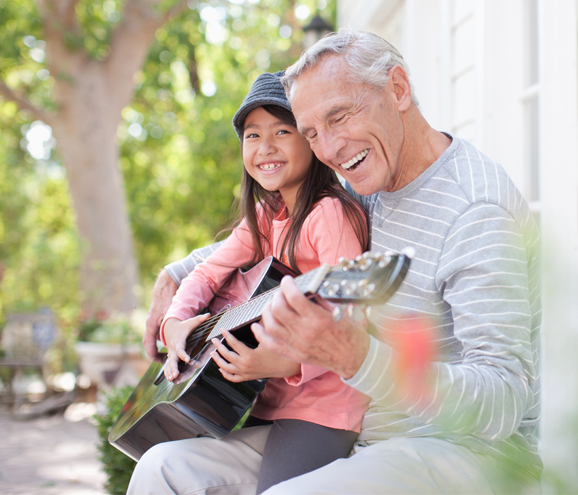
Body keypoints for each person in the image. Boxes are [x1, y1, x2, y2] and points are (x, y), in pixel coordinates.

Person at [140, 30, 542, 494]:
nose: (329, 149)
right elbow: (274, 232)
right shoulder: (365, 183)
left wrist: (361, 358)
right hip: (352, 432)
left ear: (398, 89)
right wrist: (175, 278)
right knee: (163, 469)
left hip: (457, 450)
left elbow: (504, 398)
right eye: (311, 133)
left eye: (339, 116)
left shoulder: (475, 209)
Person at [128, 70, 371, 495]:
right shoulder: (266, 217)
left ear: (311, 141)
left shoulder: (328, 215)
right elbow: (206, 273)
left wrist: (284, 364)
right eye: (252, 135)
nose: (266, 147)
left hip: (324, 411)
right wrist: (177, 323)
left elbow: (350, 316)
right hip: (272, 403)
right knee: (160, 465)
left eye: (282, 130)